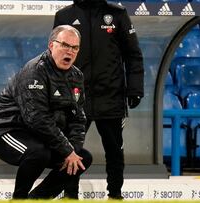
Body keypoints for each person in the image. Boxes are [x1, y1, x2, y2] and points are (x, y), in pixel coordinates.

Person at [0, 25, 92, 199]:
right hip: (5, 129)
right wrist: (66, 150)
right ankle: (19, 199)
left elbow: (78, 119)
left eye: (75, 47)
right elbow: (37, 118)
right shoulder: (35, 71)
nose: (70, 51)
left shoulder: (76, 76)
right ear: (51, 45)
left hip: (38, 135)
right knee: (38, 153)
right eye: (65, 45)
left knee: (81, 158)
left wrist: (72, 151)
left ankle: (37, 200)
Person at [54, 0, 144, 199]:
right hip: (75, 98)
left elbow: (133, 54)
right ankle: (70, 195)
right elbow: (56, 57)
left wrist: (135, 88)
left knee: (114, 150)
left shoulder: (118, 14)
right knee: (70, 151)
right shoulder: (64, 16)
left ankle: (115, 195)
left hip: (111, 96)